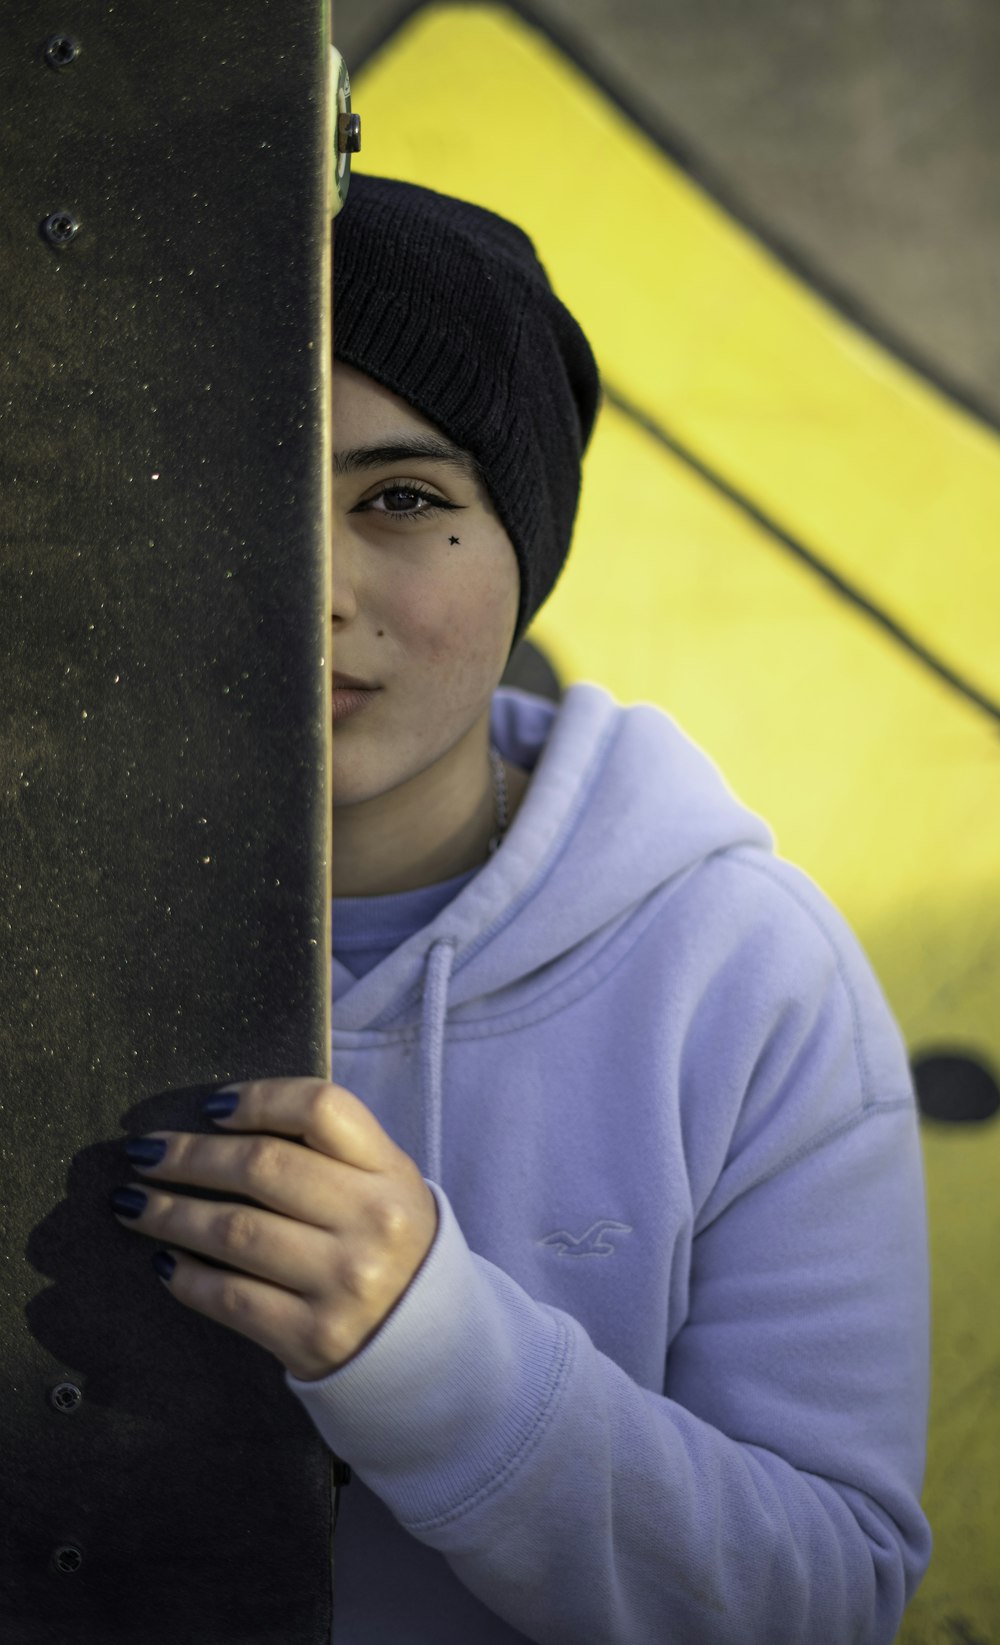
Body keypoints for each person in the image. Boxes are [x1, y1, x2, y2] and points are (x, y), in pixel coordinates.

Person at [116, 173, 932, 1642]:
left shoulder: (742, 976)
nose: (312, 583)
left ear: (525, 550)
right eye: (238, 479)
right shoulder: (40, 919)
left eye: (405, 499)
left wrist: (430, 1352)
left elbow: (831, 1597)